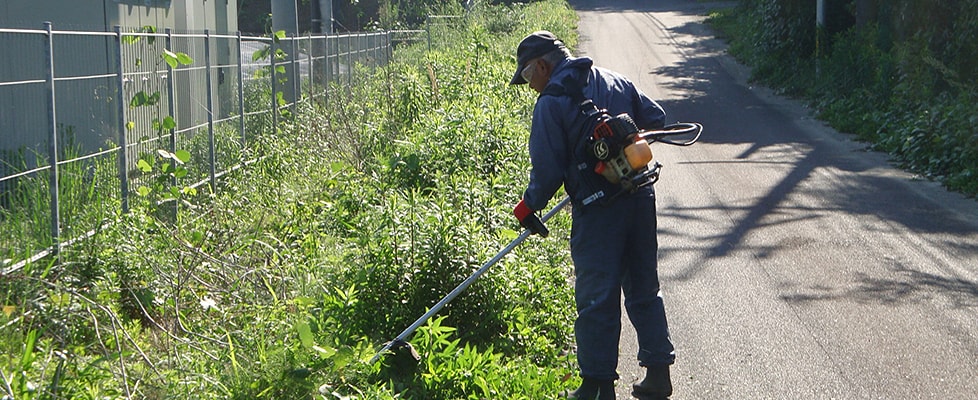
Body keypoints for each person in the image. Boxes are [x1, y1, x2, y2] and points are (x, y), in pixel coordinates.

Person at [509, 31, 676, 400]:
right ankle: (658, 375)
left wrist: (526, 207)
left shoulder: (551, 104)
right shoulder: (614, 79)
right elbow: (657, 118)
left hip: (598, 211)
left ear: (542, 65)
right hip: (639, 197)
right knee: (644, 287)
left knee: (596, 296)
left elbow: (548, 172)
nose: (529, 85)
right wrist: (625, 155)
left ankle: (597, 387)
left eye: (526, 77)